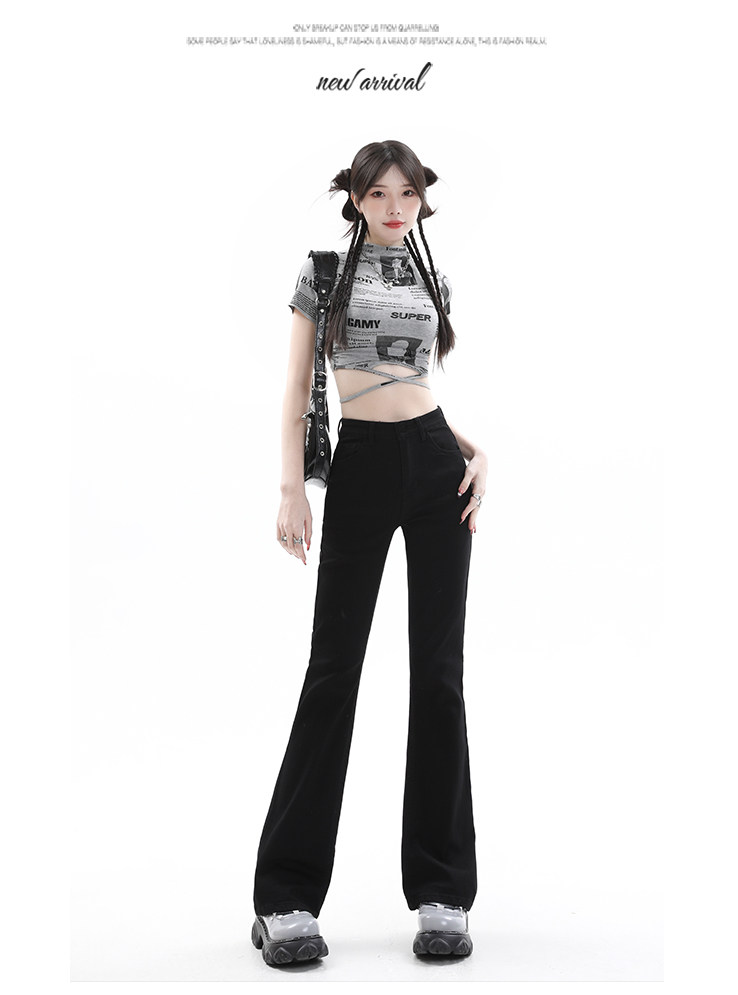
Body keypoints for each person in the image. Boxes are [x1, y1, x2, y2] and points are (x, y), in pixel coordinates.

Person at [251, 139, 488, 967]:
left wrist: (472, 450)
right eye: (378, 193)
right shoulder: (322, 274)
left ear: (422, 198)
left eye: (407, 193)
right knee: (333, 671)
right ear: (354, 198)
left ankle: (442, 892)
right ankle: (285, 897)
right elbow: (296, 389)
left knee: (440, 673)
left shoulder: (432, 276)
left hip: (437, 467)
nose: (394, 206)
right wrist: (291, 487)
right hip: (358, 468)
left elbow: (417, 390)